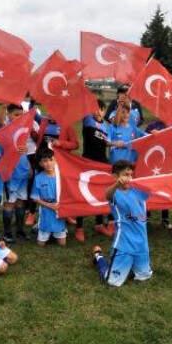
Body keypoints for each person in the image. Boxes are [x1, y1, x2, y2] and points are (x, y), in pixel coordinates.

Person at [91, 160, 153, 287]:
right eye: (125, 174)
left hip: (142, 243)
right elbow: (107, 195)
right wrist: (116, 185)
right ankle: (98, 257)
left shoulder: (138, 189)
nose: (129, 178)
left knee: (144, 276)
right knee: (111, 282)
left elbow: (159, 185)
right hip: (124, 243)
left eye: (131, 174)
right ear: (116, 176)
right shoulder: (115, 193)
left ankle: (128, 267)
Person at [77, 100, 113, 240]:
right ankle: (79, 227)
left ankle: (99, 224)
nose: (98, 112)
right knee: (82, 193)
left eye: (101, 110)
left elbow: (107, 143)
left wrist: (116, 143)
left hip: (102, 163)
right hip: (87, 162)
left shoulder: (106, 126)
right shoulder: (88, 120)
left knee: (101, 193)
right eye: (96, 109)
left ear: (105, 111)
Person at [2, 104, 31, 242]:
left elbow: (25, 149)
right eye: (16, 115)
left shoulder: (23, 129)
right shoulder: (5, 129)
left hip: (23, 171)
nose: (19, 118)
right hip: (11, 173)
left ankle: (20, 230)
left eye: (21, 115)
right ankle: (7, 233)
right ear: (8, 114)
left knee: (21, 202)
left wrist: (29, 166)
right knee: (9, 203)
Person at [30, 149, 66, 247]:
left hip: (58, 209)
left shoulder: (61, 176)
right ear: (41, 163)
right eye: (45, 161)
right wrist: (49, 205)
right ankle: (39, 229)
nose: (49, 163)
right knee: (41, 244)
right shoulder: (38, 178)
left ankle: (56, 232)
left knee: (62, 244)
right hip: (46, 209)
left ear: (55, 160)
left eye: (51, 160)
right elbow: (35, 197)